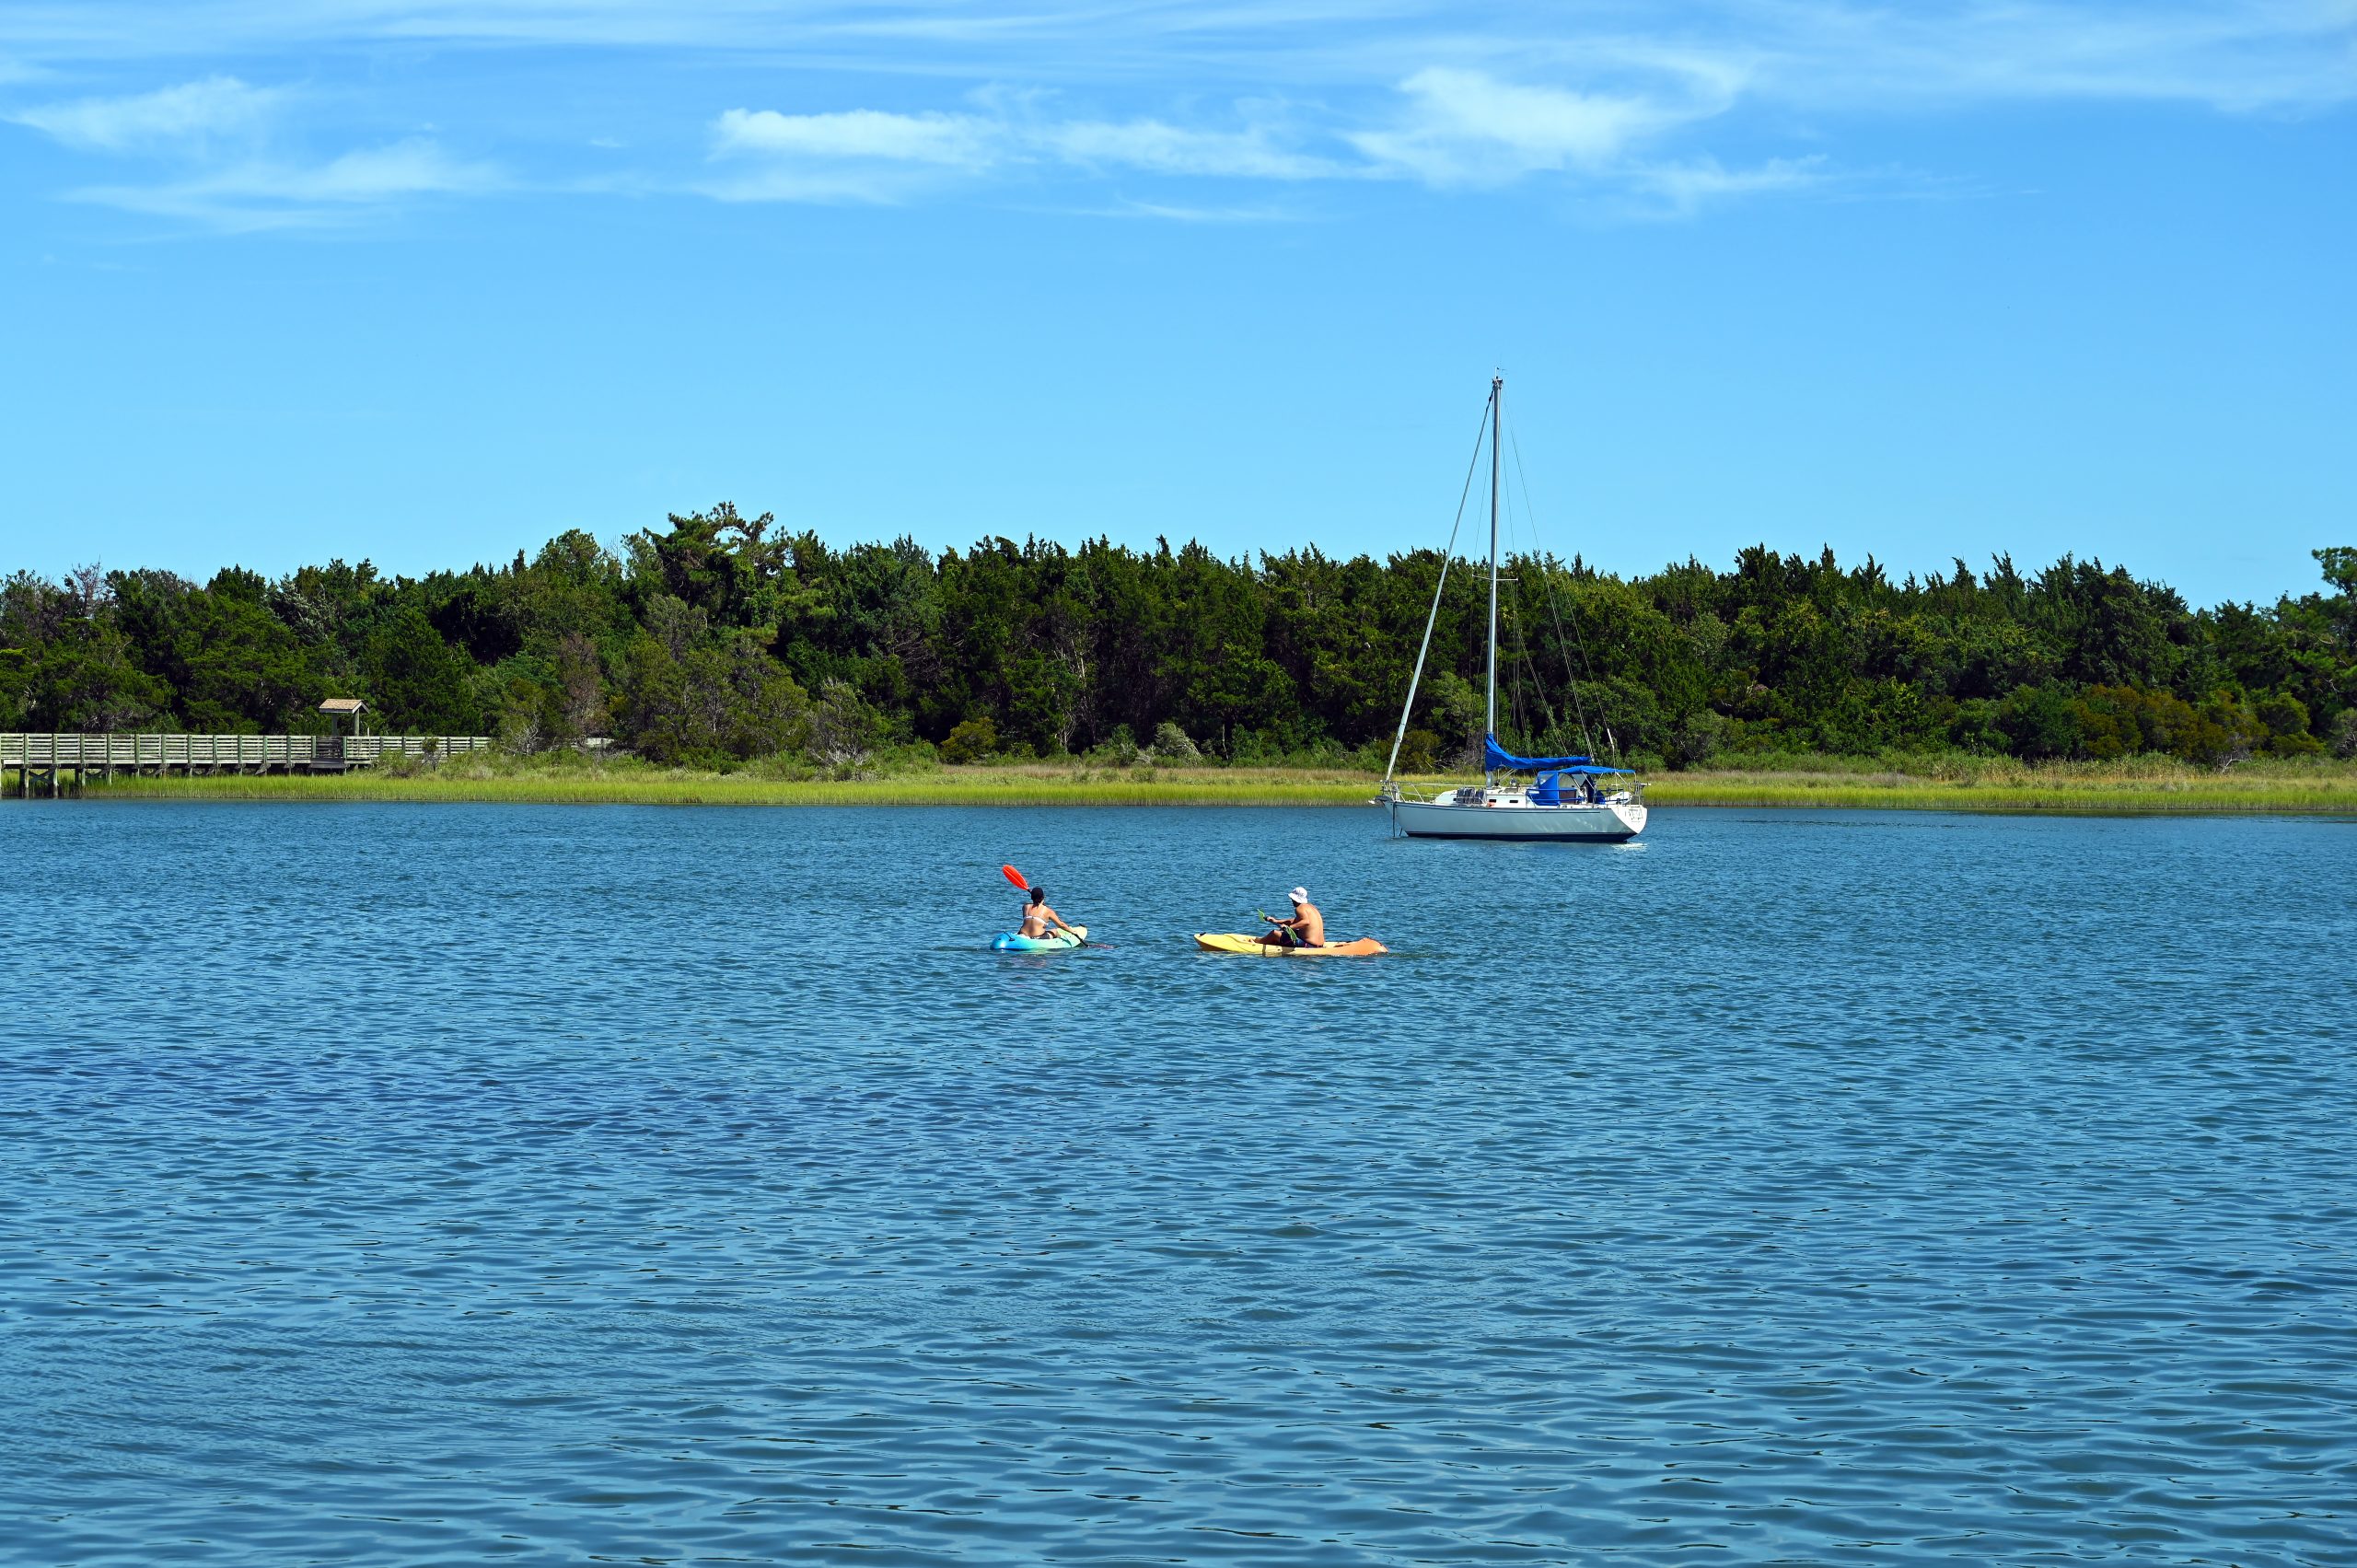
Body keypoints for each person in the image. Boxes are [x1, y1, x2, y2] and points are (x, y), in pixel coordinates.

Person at [1261, 887, 1326, 948]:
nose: (1291, 900)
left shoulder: (1299, 908)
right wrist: (1276, 921)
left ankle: (1258, 943)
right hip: (1320, 945)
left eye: (1292, 898)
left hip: (1308, 945)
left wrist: (1289, 927)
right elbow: (1295, 920)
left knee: (1274, 933)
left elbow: (1306, 922)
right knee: (1284, 932)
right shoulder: (1311, 907)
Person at [1018, 886, 1082, 941]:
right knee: (1055, 931)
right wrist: (1073, 932)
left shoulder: (1025, 907)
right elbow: (1061, 925)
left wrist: (1040, 902)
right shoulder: (1048, 911)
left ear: (1031, 897)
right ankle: (1058, 944)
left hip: (1023, 935)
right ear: (1043, 898)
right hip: (1038, 938)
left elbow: (1034, 908)